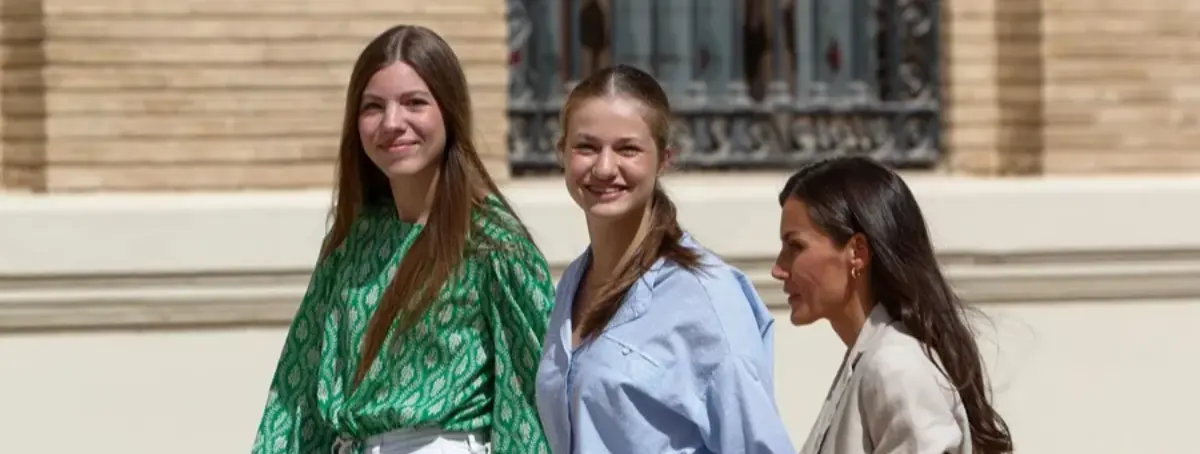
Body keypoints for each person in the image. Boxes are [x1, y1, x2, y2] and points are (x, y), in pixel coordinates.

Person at [251, 25, 555, 454]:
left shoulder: (492, 246)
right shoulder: (352, 241)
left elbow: (531, 396)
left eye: (414, 103)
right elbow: (297, 389)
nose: (392, 123)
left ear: (448, 112)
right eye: (373, 107)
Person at [534, 64, 796, 454]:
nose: (605, 168)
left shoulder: (707, 296)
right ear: (562, 154)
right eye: (586, 147)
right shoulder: (573, 283)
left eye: (628, 149)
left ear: (664, 159)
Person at [771, 156, 1014, 454]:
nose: (779, 269)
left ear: (857, 252)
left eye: (795, 246)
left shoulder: (893, 366)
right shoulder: (870, 359)